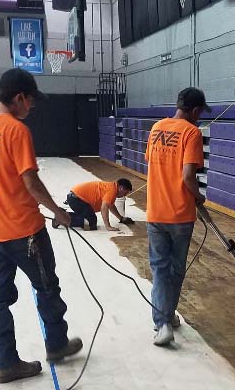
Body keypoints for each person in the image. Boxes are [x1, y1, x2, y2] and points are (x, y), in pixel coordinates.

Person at [0, 67, 83, 384]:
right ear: (19, 98)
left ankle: (5, 363)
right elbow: (30, 181)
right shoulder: (16, 131)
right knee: (47, 288)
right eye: (30, 102)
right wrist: (59, 211)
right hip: (27, 232)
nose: (31, 108)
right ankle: (57, 344)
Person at [145, 86, 208, 347]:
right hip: (180, 215)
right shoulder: (192, 133)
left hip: (155, 212)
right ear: (194, 111)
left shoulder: (156, 127)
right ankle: (166, 318)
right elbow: (186, 177)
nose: (200, 117)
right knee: (176, 270)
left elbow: (153, 163)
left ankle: (163, 323)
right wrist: (200, 197)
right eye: (200, 112)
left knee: (160, 269)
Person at [54, 178, 133, 231]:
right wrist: (108, 226)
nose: (124, 195)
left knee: (88, 218)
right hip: (77, 199)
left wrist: (121, 218)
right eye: (125, 193)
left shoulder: (112, 187)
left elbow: (111, 206)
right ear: (121, 188)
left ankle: (62, 214)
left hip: (75, 197)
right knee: (90, 223)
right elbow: (104, 208)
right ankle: (60, 218)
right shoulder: (112, 191)